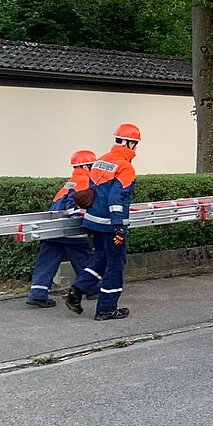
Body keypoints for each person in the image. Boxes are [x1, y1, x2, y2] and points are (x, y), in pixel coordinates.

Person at [65, 123, 140, 321]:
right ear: (130, 144)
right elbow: (116, 198)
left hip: (93, 221)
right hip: (109, 225)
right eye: (136, 144)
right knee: (115, 264)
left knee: (101, 258)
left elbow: (93, 190)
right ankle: (106, 309)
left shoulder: (101, 160)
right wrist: (119, 227)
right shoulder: (125, 167)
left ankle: (76, 290)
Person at [24, 149, 97, 308]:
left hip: (52, 229)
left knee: (46, 262)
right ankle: (92, 289)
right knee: (84, 258)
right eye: (92, 165)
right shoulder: (85, 181)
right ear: (86, 166)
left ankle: (38, 294)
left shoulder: (70, 182)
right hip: (70, 230)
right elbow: (73, 208)